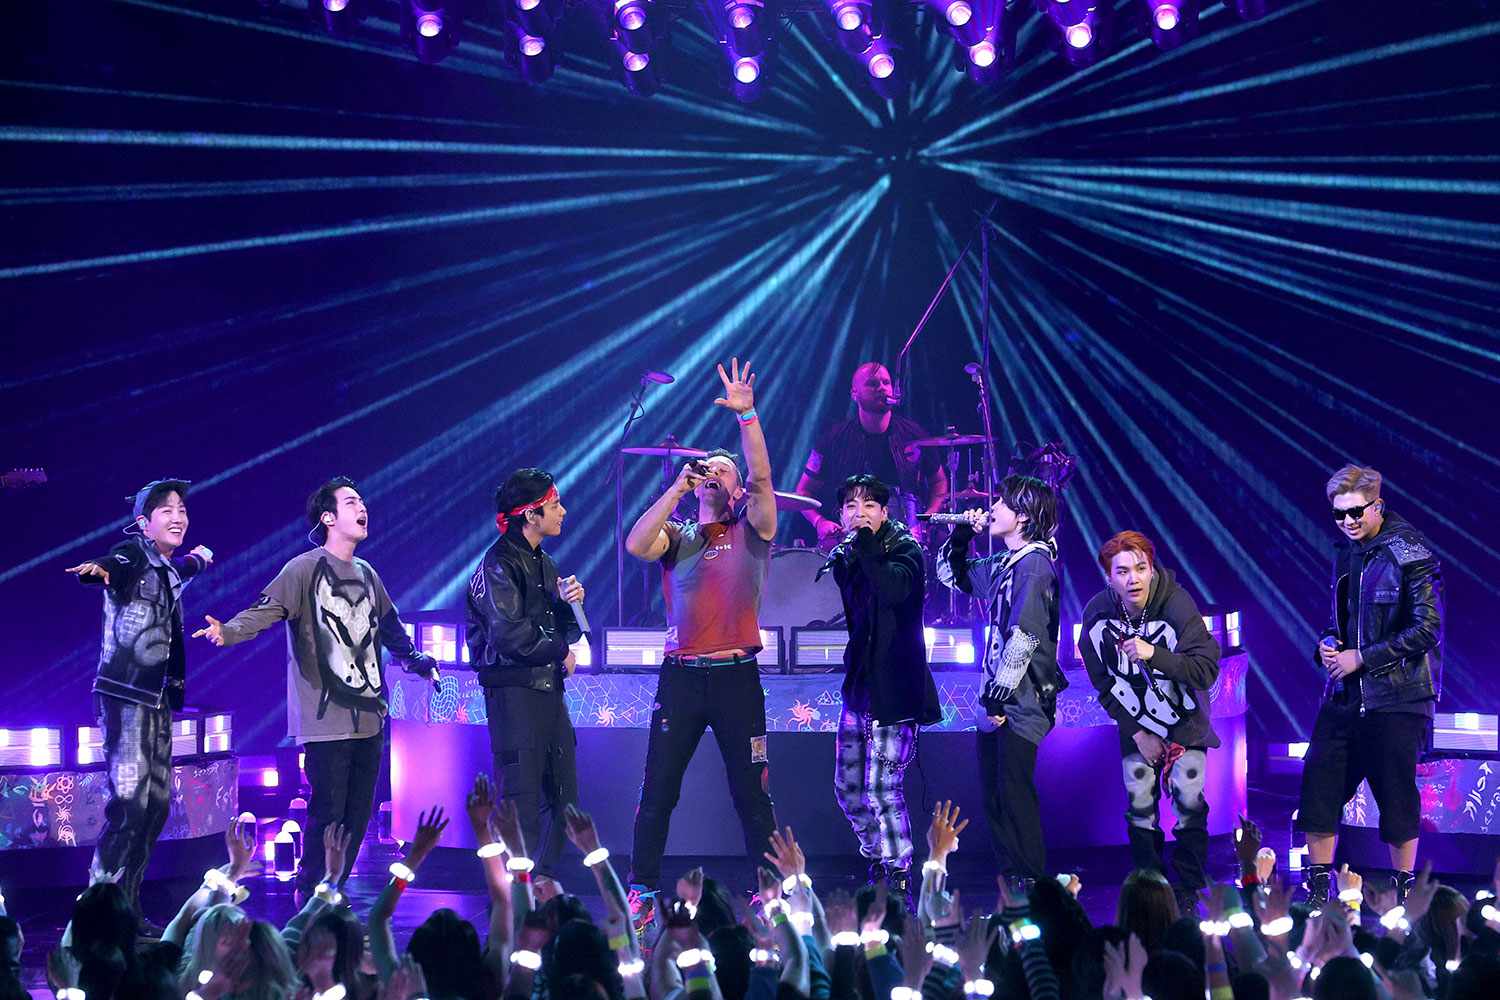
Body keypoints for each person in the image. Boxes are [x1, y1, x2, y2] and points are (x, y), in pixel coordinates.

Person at [191, 476, 439, 897]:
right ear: (328, 518)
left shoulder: (367, 573)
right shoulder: (303, 569)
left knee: (357, 816)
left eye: (362, 501)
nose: (362, 508)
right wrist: (228, 631)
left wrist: (416, 659)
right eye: (351, 502)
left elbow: (390, 626)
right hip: (325, 720)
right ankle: (310, 894)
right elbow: (266, 611)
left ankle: (333, 891)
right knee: (328, 812)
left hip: (369, 717)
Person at [623, 357, 778, 900]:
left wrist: (747, 416)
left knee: (752, 794)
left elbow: (761, 479)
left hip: (736, 677)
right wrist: (676, 488)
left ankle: (771, 892)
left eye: (722, 470)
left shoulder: (753, 527)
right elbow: (636, 544)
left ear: (735, 489)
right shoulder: (678, 535)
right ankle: (642, 891)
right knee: (657, 790)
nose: (712, 472)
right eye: (705, 467)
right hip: (682, 678)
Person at [65, 479, 214, 933]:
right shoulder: (132, 555)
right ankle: (97, 913)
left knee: (156, 806)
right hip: (125, 697)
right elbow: (117, 565)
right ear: (144, 524)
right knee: (129, 805)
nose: (178, 516)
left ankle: (125, 909)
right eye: (166, 510)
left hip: (157, 700)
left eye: (182, 509)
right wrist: (99, 569)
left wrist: (200, 558)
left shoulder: (169, 568)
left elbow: (184, 567)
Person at [1296, 464, 1443, 904]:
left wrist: (1362, 658)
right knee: (1319, 785)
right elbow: (1339, 621)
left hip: (1398, 695)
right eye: (1339, 514)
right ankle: (1318, 890)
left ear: (1377, 505)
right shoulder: (1347, 553)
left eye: (1356, 512)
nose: (1348, 521)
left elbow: (1427, 628)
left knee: (1396, 796)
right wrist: (1327, 644)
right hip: (1345, 694)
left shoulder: (1410, 551)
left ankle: (1405, 892)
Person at [1078, 530, 1221, 908]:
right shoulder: (1097, 614)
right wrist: (1138, 732)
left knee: (1188, 803)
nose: (1133, 579)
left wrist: (1153, 654)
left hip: (1184, 721)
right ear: (1109, 577)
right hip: (1137, 721)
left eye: (1141, 568)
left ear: (1152, 568)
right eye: (1122, 571)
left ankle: (1189, 890)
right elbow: (1103, 683)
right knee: (1140, 806)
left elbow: (1206, 670)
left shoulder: (1177, 605)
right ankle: (1150, 891)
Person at [935, 474, 1064, 887]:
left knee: (1013, 796)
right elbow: (951, 576)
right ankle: (1015, 882)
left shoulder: (1034, 567)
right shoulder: (1010, 563)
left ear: (1023, 516)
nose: (993, 508)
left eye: (1003, 503)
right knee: (996, 797)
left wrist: (996, 701)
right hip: (999, 701)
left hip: (1019, 704)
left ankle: (1031, 883)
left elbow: (1024, 638)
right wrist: (961, 536)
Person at [825, 475, 941, 900]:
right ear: (841, 516)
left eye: (869, 505)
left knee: (882, 789)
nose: (860, 514)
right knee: (848, 790)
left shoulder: (907, 550)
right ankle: (876, 855)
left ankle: (899, 872)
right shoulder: (848, 555)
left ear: (885, 512)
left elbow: (892, 589)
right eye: (851, 507)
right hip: (859, 688)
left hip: (897, 690)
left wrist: (867, 545)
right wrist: (857, 549)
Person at [466, 467, 584, 875]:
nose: (563, 511)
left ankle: (542, 883)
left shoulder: (544, 563)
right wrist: (560, 651)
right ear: (531, 515)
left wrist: (570, 605)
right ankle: (518, 892)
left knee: (566, 801)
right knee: (521, 802)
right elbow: (509, 636)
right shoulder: (499, 563)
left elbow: (567, 631)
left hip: (549, 690)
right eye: (555, 505)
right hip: (515, 694)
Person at [794, 362, 948, 550]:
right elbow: (803, 491)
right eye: (872, 384)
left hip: (904, 542)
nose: (882, 388)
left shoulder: (913, 435)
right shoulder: (832, 439)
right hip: (851, 544)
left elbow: (939, 482)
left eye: (886, 382)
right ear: (854, 394)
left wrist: (927, 519)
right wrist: (819, 522)